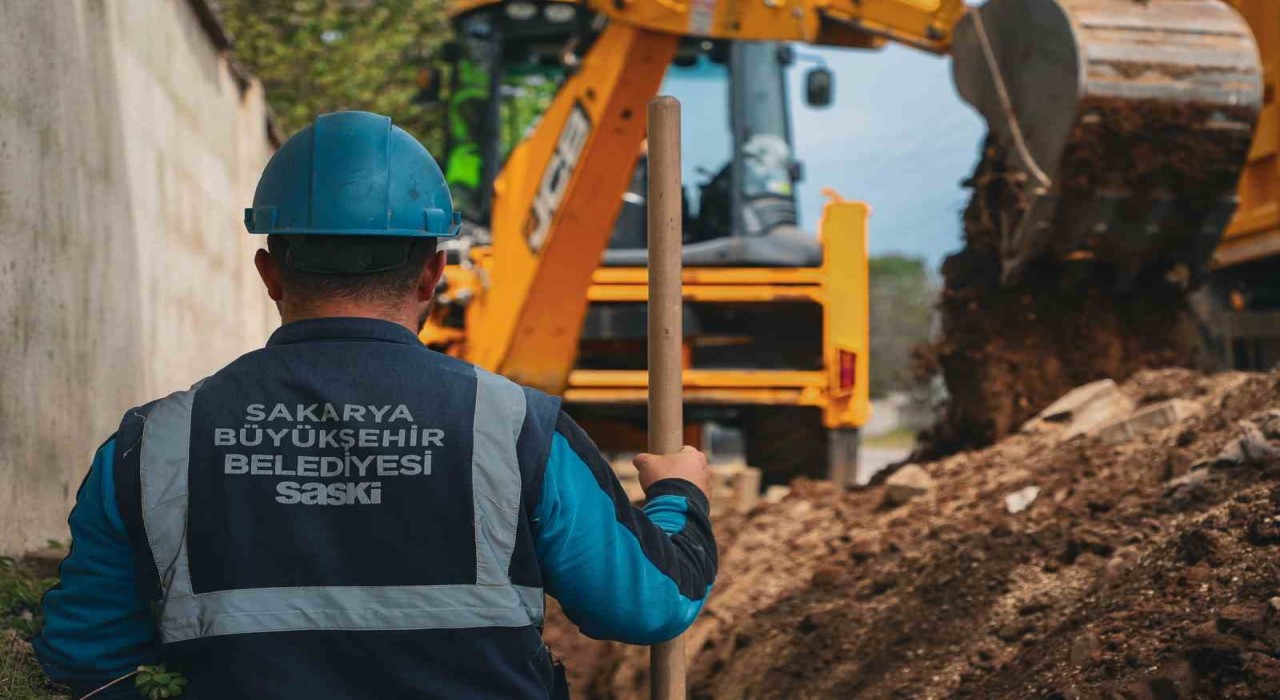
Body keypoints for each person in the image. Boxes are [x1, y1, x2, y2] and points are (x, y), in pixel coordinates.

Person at [34, 111, 717, 699]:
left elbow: (86, 657)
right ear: (431, 275)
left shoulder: (151, 443)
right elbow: (649, 604)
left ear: (270, 274)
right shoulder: (515, 428)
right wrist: (678, 495)